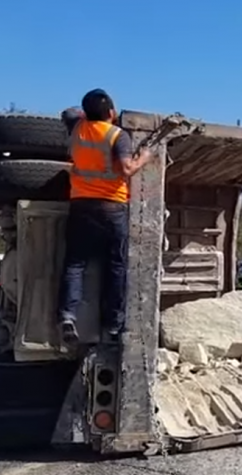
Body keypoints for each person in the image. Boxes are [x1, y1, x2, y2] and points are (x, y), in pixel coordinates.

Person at [58, 89, 154, 344]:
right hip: (112, 207)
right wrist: (144, 157)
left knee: (75, 264)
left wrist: (85, 114)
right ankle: (112, 324)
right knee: (116, 267)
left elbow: (67, 112)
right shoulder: (117, 135)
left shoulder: (77, 127)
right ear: (112, 113)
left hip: (80, 205)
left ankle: (67, 316)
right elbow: (126, 169)